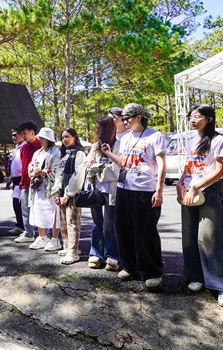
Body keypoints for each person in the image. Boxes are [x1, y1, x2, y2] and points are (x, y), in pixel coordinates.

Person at [102, 103, 167, 291]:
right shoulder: (126, 138)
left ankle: (152, 272)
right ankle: (130, 267)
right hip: (124, 187)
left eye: (127, 118)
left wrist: (159, 189)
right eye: (123, 118)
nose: (124, 121)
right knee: (123, 229)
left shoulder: (155, 136)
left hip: (145, 189)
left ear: (139, 117)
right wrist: (107, 153)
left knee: (145, 232)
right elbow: (124, 162)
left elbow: (161, 162)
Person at [177, 105, 223, 308]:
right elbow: (189, 166)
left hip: (207, 191)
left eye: (197, 117)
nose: (192, 120)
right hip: (189, 189)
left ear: (209, 119)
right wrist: (180, 184)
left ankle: (221, 286)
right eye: (191, 116)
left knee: (209, 237)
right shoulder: (193, 140)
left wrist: (196, 187)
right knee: (190, 235)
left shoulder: (219, 141)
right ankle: (196, 278)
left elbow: (220, 170)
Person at [85, 116, 122, 271]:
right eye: (96, 127)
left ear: (107, 128)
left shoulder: (118, 144)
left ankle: (112, 255)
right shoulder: (95, 147)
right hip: (96, 190)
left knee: (111, 224)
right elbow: (87, 166)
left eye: (99, 127)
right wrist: (102, 165)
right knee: (96, 223)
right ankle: (95, 253)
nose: (96, 130)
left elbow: (117, 168)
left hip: (112, 190)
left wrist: (98, 166)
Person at [51, 129, 85, 264]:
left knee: (73, 222)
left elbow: (78, 176)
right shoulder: (64, 155)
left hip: (73, 193)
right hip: (62, 192)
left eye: (67, 137)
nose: (65, 139)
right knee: (64, 222)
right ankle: (67, 247)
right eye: (63, 137)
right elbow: (59, 175)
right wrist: (57, 193)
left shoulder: (79, 153)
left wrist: (68, 194)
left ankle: (73, 252)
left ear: (75, 138)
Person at [27, 129, 60, 250]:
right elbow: (31, 165)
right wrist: (32, 171)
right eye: (40, 138)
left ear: (49, 140)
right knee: (39, 210)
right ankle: (42, 237)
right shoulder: (37, 152)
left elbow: (56, 169)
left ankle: (55, 239)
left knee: (52, 211)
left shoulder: (55, 153)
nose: (40, 140)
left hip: (50, 187)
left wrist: (42, 172)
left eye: (43, 138)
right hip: (37, 186)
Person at [14, 121, 41, 243]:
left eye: (24, 133)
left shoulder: (41, 146)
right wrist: (22, 181)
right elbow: (23, 166)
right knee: (24, 208)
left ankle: (44, 234)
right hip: (25, 182)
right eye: (22, 134)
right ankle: (29, 232)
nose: (23, 136)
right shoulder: (23, 148)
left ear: (32, 132)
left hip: (39, 182)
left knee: (41, 208)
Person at [7, 129, 25, 235]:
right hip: (15, 178)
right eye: (12, 135)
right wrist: (10, 177)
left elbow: (25, 164)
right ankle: (20, 224)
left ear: (21, 135)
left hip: (22, 179)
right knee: (16, 203)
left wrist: (23, 179)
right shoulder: (16, 148)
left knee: (20, 203)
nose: (13, 137)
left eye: (15, 135)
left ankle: (23, 226)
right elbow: (15, 164)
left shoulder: (24, 147)